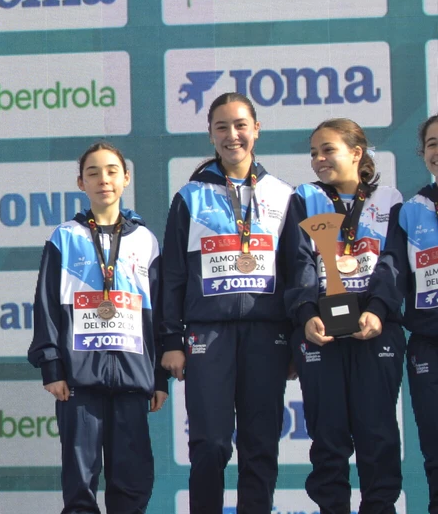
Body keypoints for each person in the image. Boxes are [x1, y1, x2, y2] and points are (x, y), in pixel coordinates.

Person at [159, 93, 294, 514]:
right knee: (211, 444)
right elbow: (173, 276)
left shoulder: (283, 194)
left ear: (256, 129)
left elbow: (294, 273)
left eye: (240, 125)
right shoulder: (190, 196)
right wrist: (170, 339)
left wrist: (292, 339)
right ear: (211, 134)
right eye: (222, 127)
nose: (232, 135)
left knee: (260, 445)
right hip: (207, 334)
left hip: (267, 335)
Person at [29, 142, 166, 514]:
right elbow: (45, 307)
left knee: (132, 481)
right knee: (80, 483)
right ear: (80, 182)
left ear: (125, 179)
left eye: (110, 171)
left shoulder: (145, 241)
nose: (102, 179)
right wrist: (52, 367)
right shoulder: (65, 237)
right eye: (93, 172)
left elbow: (159, 313)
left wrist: (158, 378)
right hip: (77, 381)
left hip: (133, 380)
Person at [282, 118, 404, 514]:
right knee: (328, 437)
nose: (318, 159)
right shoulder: (305, 196)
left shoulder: (388, 199)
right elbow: (298, 261)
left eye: (328, 149)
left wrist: (378, 310)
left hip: (375, 330)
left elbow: (393, 262)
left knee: (378, 435)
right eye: (313, 152)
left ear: (356, 152)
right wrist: (304, 315)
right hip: (321, 331)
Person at [375, 114, 438, 513]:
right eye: (433, 143)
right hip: (429, 347)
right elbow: (394, 272)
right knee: (435, 453)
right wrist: (376, 310)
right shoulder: (411, 211)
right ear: (424, 153)